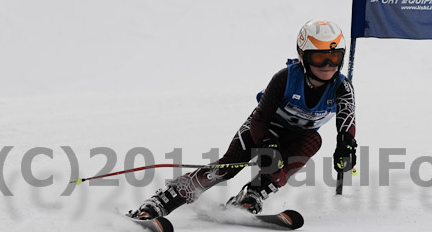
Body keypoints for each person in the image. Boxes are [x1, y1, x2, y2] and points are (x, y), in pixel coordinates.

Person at [130, 20, 357, 219]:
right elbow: (259, 119)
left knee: (312, 140)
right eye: (319, 57)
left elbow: (346, 124)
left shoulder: (343, 87)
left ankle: (252, 194)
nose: (328, 66)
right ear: (303, 57)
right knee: (226, 169)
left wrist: (346, 146)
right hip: (261, 130)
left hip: (296, 138)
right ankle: (163, 200)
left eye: (334, 57)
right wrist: (268, 144)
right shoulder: (285, 78)